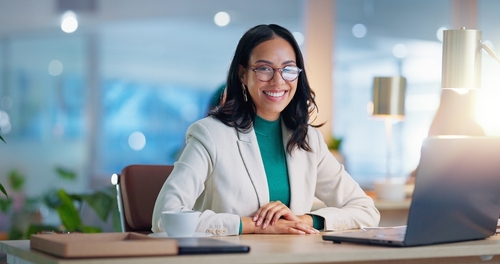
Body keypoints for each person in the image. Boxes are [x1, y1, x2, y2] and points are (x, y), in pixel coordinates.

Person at [152, 24, 380, 235]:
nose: (278, 81)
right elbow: (165, 218)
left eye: (288, 69)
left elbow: (366, 210)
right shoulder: (209, 134)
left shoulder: (308, 139)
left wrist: (304, 220)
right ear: (243, 74)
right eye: (264, 69)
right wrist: (253, 225)